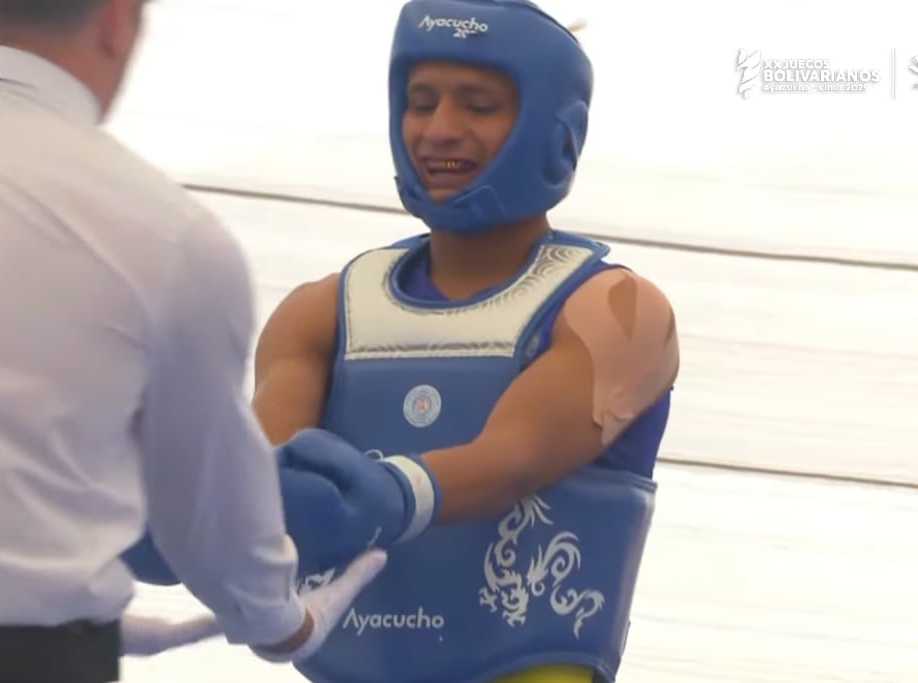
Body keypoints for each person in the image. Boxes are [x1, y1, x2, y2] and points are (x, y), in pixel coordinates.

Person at [0, 1, 383, 681]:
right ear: (119, 19)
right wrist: (284, 620)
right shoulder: (168, 236)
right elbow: (210, 517)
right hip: (25, 660)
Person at [262, 1, 681, 682]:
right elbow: (264, 493)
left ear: (555, 129)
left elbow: (513, 455)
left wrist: (387, 492)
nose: (439, 129)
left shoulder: (615, 308)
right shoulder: (319, 314)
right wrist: (174, 522)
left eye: (479, 104)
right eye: (420, 101)